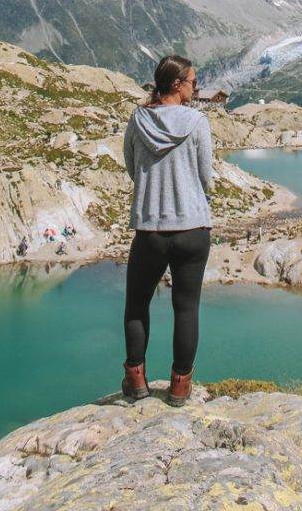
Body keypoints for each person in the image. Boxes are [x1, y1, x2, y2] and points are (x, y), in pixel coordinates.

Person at [121, 54, 212, 407]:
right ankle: (179, 386)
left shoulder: (138, 119)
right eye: (193, 82)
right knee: (186, 308)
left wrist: (151, 189)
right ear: (176, 84)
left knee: (136, 304)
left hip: (150, 229)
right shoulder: (197, 122)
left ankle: (135, 379)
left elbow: (131, 165)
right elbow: (205, 175)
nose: (196, 88)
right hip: (193, 228)